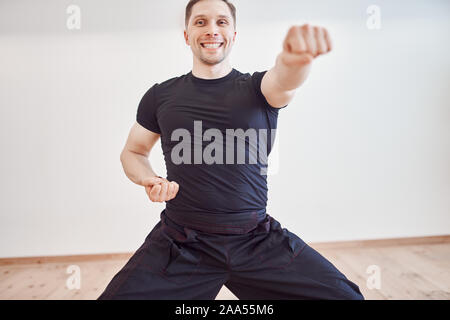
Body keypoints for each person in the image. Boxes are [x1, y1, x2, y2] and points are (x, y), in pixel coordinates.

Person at [98, 0, 364, 300]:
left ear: (234, 34)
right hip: (182, 241)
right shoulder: (161, 95)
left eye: (221, 22)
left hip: (256, 240)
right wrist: (148, 178)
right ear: (187, 35)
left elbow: (284, 79)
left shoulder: (258, 88)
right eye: (200, 22)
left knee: (347, 298)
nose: (212, 30)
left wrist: (294, 59)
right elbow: (133, 152)